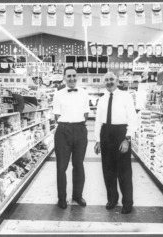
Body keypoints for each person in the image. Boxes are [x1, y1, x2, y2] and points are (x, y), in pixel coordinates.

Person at [94, 72, 137, 214]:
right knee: (108, 170)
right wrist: (98, 140)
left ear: (117, 81)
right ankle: (112, 199)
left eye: (111, 79)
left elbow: (132, 119)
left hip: (121, 134)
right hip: (105, 133)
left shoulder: (126, 97)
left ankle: (127, 203)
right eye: (106, 80)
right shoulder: (102, 99)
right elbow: (98, 121)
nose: (109, 82)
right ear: (103, 82)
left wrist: (127, 138)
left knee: (124, 171)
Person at [53, 66, 89, 209]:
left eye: (74, 75)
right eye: (69, 76)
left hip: (80, 129)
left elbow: (86, 113)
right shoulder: (58, 94)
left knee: (78, 165)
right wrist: (68, 123)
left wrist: (77, 123)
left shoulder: (84, 93)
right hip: (63, 130)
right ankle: (62, 198)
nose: (72, 78)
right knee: (61, 167)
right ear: (64, 77)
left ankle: (77, 196)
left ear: (77, 76)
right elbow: (56, 116)